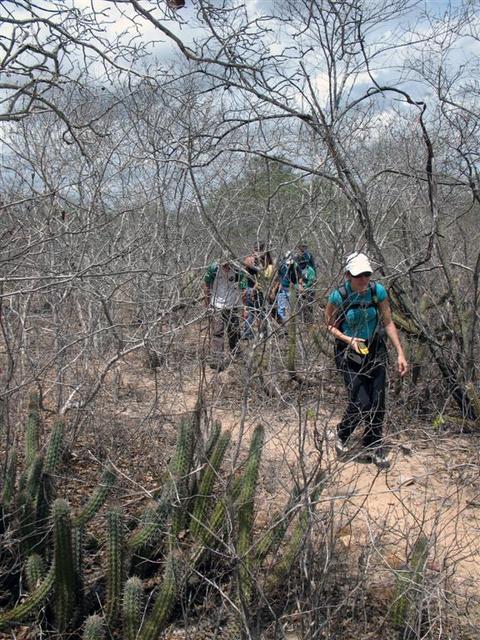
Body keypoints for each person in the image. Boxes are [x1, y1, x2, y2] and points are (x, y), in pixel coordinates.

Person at [324, 252, 408, 469]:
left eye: (366, 274)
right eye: (358, 275)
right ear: (348, 275)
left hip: (374, 349)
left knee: (378, 401)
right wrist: (348, 339)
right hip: (348, 352)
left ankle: (373, 443)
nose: (363, 279)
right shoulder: (338, 296)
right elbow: (329, 325)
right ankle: (342, 434)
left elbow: (388, 322)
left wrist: (400, 352)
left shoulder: (376, 292)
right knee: (361, 401)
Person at [204, 258, 247, 370]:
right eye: (224, 264)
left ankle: (237, 356)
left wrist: (244, 307)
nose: (227, 267)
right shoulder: (214, 268)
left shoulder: (238, 269)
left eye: (229, 264)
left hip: (232, 305)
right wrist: (207, 304)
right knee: (218, 332)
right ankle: (217, 360)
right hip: (217, 305)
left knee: (234, 331)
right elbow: (206, 285)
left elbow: (243, 288)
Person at [242, 241, 275, 339]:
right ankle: (250, 333)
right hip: (251, 288)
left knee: (260, 312)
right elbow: (246, 266)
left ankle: (261, 333)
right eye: (256, 250)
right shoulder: (250, 259)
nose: (258, 252)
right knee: (253, 312)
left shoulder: (264, 259)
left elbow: (268, 270)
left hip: (260, 288)